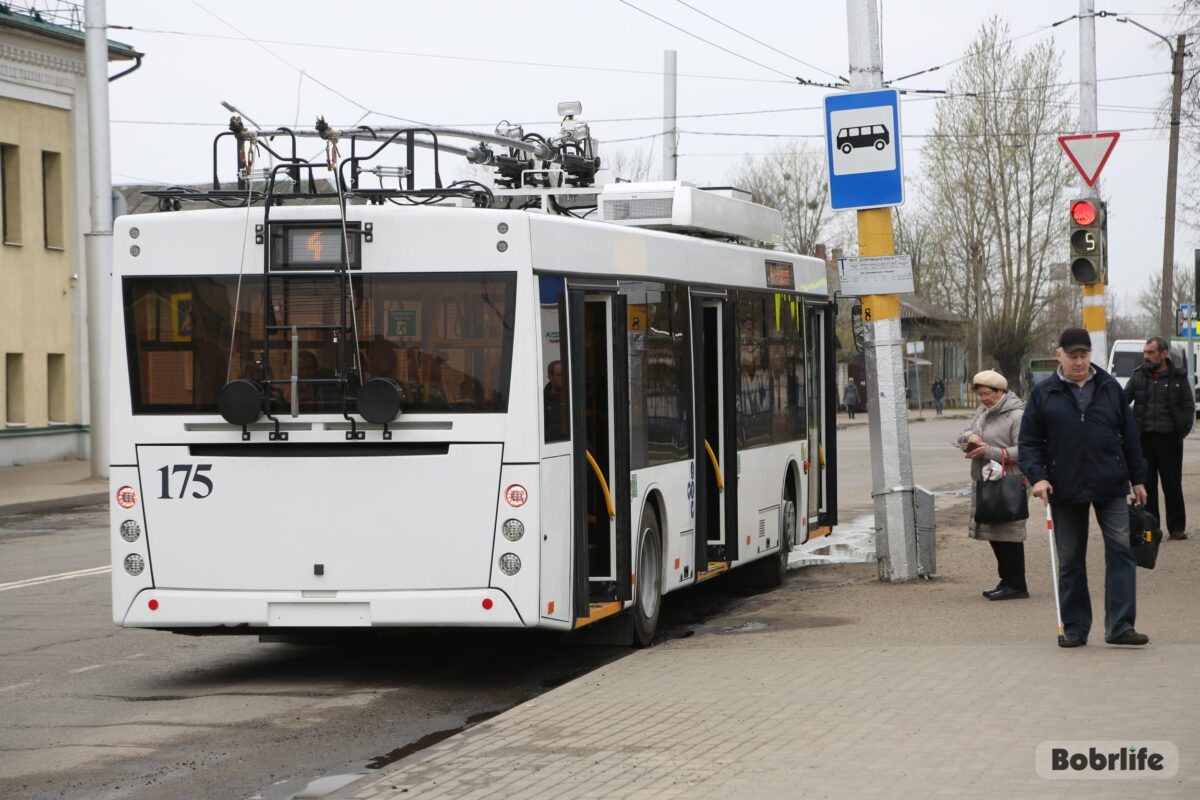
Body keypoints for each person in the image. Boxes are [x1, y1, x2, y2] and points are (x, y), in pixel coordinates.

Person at [1019, 327, 1149, 648]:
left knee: (1121, 551)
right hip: (1063, 486)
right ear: (1059, 354)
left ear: (1091, 355)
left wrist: (1139, 478)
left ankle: (1120, 626)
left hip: (1110, 483)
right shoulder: (1044, 393)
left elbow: (1130, 437)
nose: (1079, 362)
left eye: (1084, 355)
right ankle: (1075, 626)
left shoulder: (1109, 388)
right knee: (1070, 557)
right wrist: (1038, 477)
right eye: (1072, 355)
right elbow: (1029, 442)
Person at [957, 370, 1028, 600]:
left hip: (1009, 481)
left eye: (987, 394)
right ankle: (1006, 580)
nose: (983, 399)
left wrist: (989, 451)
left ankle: (1017, 584)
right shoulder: (984, 411)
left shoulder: (1017, 415)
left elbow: (1025, 450)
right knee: (994, 532)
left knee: (1009, 533)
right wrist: (969, 439)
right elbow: (965, 431)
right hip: (987, 479)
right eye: (980, 395)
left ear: (1001, 391)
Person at [1123, 336, 1195, 540]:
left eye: (1150, 352)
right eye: (1145, 352)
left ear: (1163, 354)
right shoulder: (1138, 376)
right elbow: (1122, 402)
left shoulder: (1178, 378)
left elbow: (1188, 407)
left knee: (1172, 484)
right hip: (1143, 440)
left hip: (1170, 441)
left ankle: (1177, 527)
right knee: (1147, 486)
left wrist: (1182, 430)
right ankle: (1151, 529)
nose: (1146, 356)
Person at [544, 360, 567, 439]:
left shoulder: (572, 397)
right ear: (550, 377)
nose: (562, 378)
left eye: (564, 375)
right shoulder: (542, 400)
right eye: (558, 375)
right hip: (552, 445)